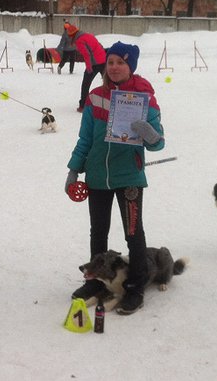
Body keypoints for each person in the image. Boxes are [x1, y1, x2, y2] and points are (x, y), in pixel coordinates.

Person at [64, 41, 165, 315]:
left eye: (121, 62)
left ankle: (135, 287)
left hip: (129, 177)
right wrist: (74, 170)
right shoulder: (96, 96)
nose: (115, 67)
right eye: (110, 62)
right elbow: (85, 138)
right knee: (98, 232)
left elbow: (158, 144)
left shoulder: (144, 97)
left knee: (134, 234)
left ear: (130, 65)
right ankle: (98, 282)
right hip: (97, 176)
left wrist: (148, 133)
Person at [66, 23, 107, 112]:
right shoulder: (88, 35)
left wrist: (89, 68)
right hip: (103, 60)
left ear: (72, 35)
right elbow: (99, 45)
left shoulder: (79, 40)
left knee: (85, 84)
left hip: (94, 63)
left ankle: (83, 105)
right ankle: (113, 100)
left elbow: (86, 55)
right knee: (108, 82)